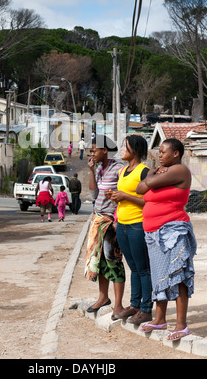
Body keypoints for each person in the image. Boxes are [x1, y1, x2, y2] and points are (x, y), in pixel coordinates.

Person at [136, 138, 197, 341]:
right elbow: (139, 189)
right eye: (159, 152)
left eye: (163, 152)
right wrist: (153, 175)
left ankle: (181, 325)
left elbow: (148, 183)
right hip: (153, 233)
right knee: (160, 277)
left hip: (173, 230)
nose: (159, 155)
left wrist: (152, 174)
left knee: (178, 276)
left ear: (176, 154)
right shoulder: (164, 172)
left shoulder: (180, 170)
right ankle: (160, 319)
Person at [106, 135, 153, 324]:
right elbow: (125, 198)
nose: (122, 150)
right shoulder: (122, 171)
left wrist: (125, 195)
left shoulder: (145, 172)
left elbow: (147, 201)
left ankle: (146, 309)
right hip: (122, 225)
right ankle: (134, 305)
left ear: (136, 149)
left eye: (125, 146)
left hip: (138, 225)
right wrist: (115, 197)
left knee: (143, 269)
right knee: (133, 267)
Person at [85, 134, 125, 318]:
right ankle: (103, 298)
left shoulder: (119, 168)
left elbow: (125, 193)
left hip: (112, 223)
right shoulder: (100, 168)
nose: (91, 153)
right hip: (99, 221)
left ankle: (118, 306)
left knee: (114, 261)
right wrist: (92, 171)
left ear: (104, 150)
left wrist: (118, 221)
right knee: (100, 262)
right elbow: (93, 195)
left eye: (94, 150)